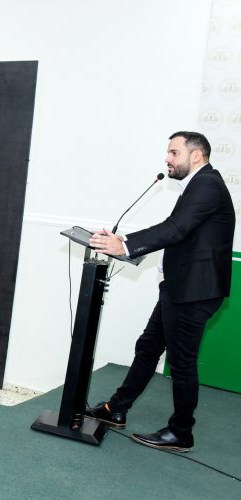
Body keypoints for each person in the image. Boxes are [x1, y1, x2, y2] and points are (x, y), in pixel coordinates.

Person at [85, 131, 235, 452]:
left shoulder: (207, 184)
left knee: (182, 362)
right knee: (149, 347)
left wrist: (125, 246)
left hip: (194, 292)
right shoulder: (197, 185)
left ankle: (181, 432)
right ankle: (116, 409)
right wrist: (125, 242)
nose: (167, 158)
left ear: (196, 155)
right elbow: (175, 227)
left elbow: (176, 229)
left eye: (174, 152)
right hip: (179, 288)